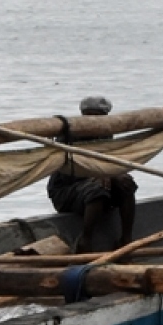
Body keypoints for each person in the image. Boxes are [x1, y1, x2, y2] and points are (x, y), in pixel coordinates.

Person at [45, 96, 137, 253]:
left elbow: (110, 165)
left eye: (100, 117)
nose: (95, 121)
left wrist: (112, 174)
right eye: (91, 116)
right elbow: (68, 172)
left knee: (126, 182)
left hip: (95, 186)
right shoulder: (69, 136)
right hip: (66, 191)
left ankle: (126, 239)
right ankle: (85, 240)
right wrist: (97, 174)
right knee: (97, 189)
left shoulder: (106, 134)